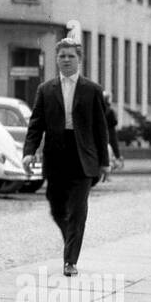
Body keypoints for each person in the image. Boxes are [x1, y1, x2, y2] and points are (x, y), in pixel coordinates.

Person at [22, 38, 111, 277]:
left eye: (71, 56)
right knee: (57, 208)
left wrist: (105, 162)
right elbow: (36, 124)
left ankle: (70, 260)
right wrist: (29, 152)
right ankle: (70, 239)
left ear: (79, 59)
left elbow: (100, 129)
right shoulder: (45, 89)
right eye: (62, 56)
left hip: (84, 156)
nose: (66, 60)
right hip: (56, 156)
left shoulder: (92, 89)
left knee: (78, 210)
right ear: (57, 59)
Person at [102, 89, 123, 171]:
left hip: (103, 131)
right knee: (115, 147)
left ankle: (109, 162)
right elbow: (114, 122)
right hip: (110, 131)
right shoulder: (110, 110)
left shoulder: (100, 109)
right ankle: (118, 161)